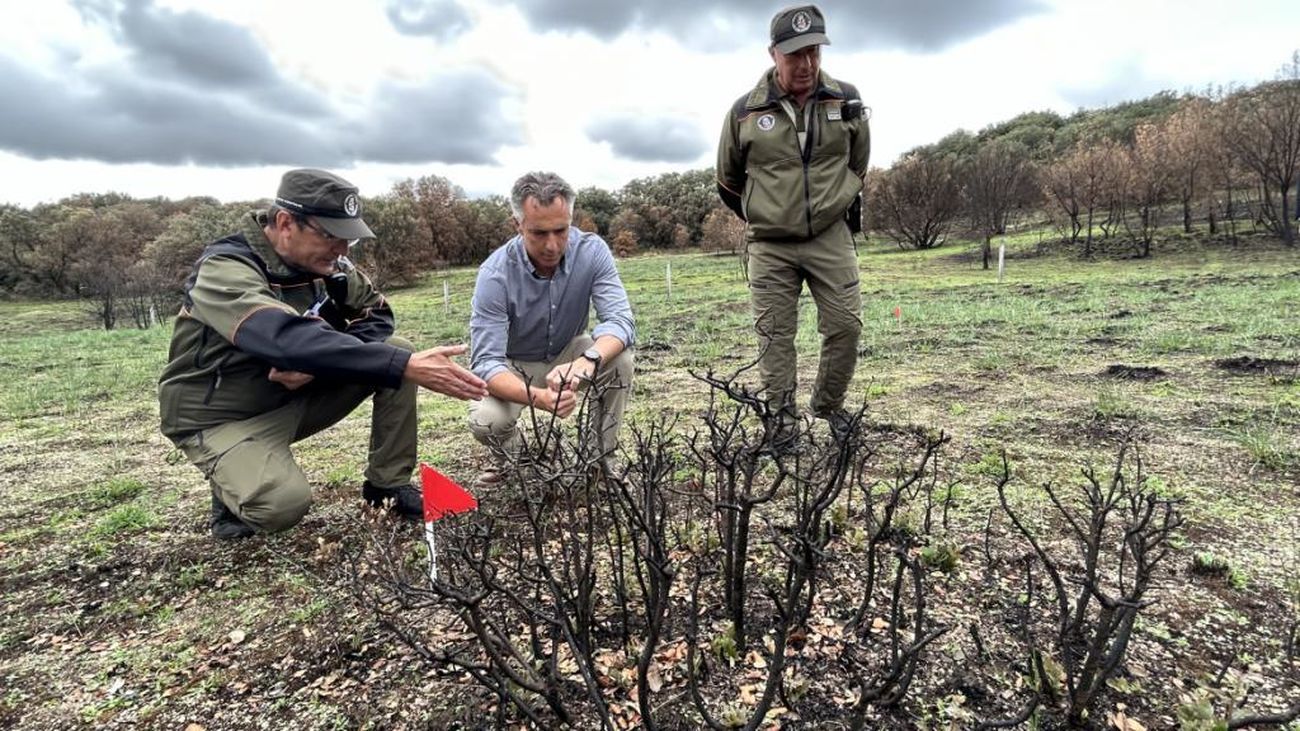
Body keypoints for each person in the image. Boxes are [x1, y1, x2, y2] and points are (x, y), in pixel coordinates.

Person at [158, 168, 487, 540]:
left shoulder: (329, 267)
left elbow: (377, 313)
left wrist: (317, 364)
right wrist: (387, 363)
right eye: (332, 236)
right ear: (285, 223)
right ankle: (230, 490)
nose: (343, 250)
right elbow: (280, 338)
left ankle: (386, 488)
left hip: (289, 396)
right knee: (281, 506)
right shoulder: (225, 269)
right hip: (220, 416)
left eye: (349, 239)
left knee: (395, 353)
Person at [715, 4, 870, 440]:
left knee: (845, 325)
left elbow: (858, 165)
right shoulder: (745, 111)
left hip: (830, 236)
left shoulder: (846, 97)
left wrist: (831, 204)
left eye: (814, 52)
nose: (806, 64)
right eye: (795, 54)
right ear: (773, 54)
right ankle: (781, 425)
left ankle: (829, 406)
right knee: (774, 336)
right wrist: (767, 214)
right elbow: (727, 179)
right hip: (770, 245)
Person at [467, 171, 635, 485]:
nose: (552, 245)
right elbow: (486, 363)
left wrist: (588, 361)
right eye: (539, 233)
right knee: (486, 421)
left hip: (569, 351)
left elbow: (620, 322)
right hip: (513, 365)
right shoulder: (494, 274)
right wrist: (539, 397)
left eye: (561, 230)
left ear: (571, 217)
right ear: (517, 225)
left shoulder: (593, 252)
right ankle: (520, 462)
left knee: (620, 359)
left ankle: (599, 465)